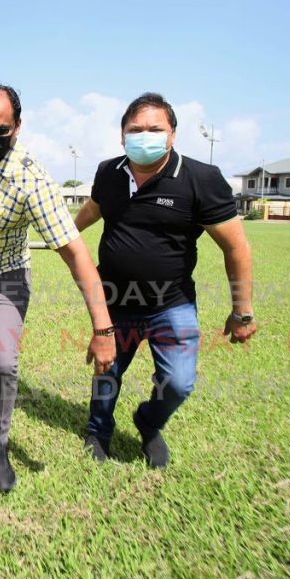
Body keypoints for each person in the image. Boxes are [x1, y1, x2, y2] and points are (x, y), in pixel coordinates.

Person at [0, 80, 116, 493]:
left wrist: (103, 328)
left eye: (1, 130)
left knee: (1, 361)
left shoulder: (30, 179)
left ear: (18, 126)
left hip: (3, 279)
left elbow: (76, 253)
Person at [74, 92, 257, 468]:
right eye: (135, 129)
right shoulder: (109, 172)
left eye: (154, 129)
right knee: (107, 371)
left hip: (170, 303)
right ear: (121, 135)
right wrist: (63, 237)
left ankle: (148, 420)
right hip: (114, 302)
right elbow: (94, 208)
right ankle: (98, 430)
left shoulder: (201, 179)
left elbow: (236, 248)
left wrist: (242, 311)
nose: (144, 136)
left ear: (172, 134)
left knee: (177, 383)